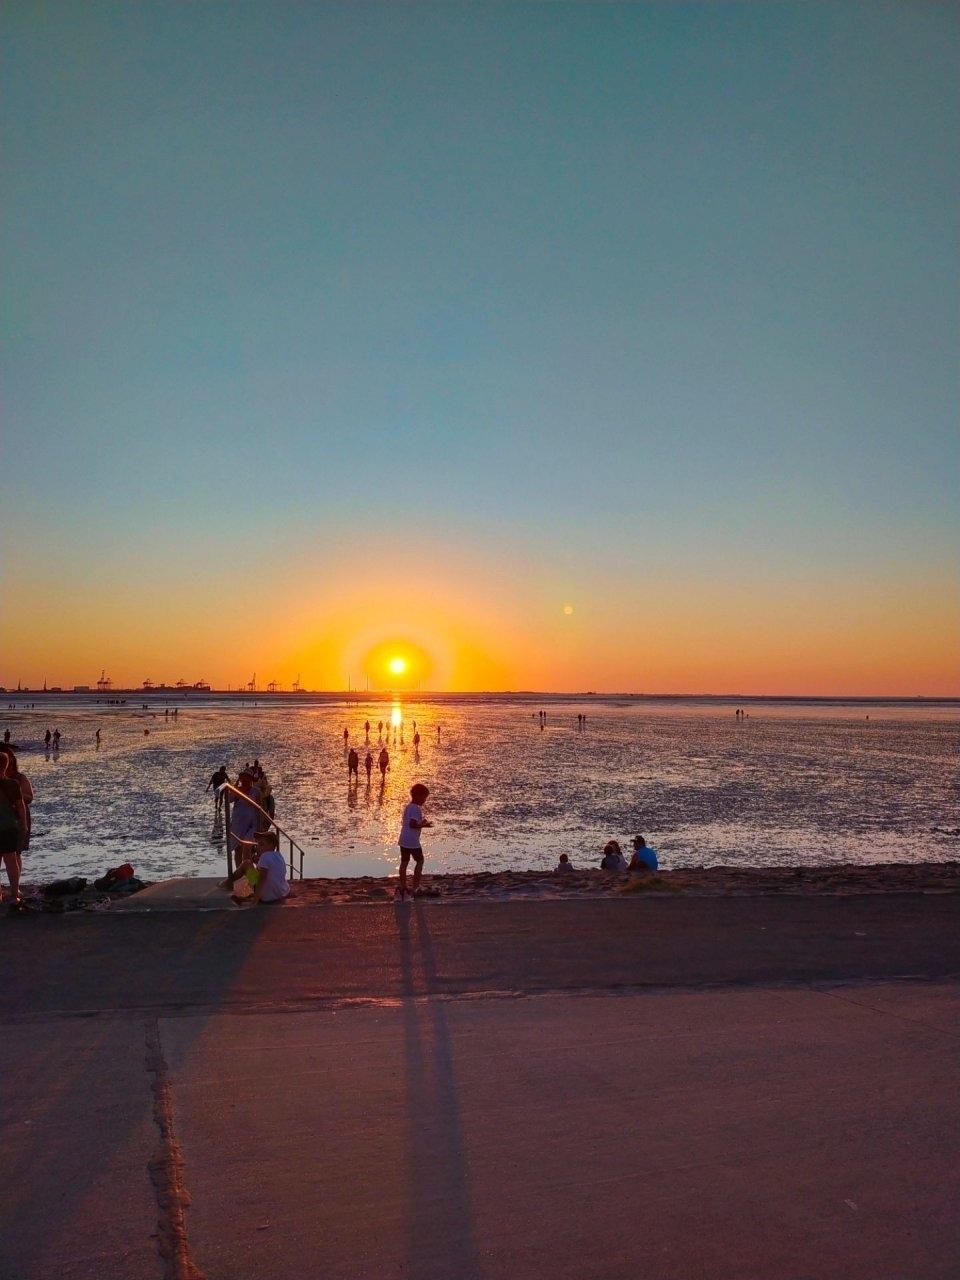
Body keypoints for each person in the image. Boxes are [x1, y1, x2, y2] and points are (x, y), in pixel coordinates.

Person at [221, 829, 289, 905]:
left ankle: (228, 883)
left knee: (246, 863)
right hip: (281, 892)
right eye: (258, 844)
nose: (258, 847)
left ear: (272, 845)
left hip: (268, 896)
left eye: (262, 844)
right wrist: (256, 860)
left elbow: (262, 878)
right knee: (250, 864)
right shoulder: (278, 855)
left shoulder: (265, 857)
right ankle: (232, 885)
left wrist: (255, 901)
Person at [0, 751, 26, 909]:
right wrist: (24, 824)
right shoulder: (13, 784)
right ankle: (14, 894)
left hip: (6, 827)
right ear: (7, 765)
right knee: (11, 861)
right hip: (9, 827)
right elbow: (21, 806)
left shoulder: (12, 784)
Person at [397, 782, 432, 899]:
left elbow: (411, 822)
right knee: (420, 861)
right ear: (417, 796)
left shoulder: (408, 807)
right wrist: (424, 825)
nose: (424, 801)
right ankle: (415, 887)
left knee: (404, 862)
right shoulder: (416, 808)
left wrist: (421, 823)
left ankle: (403, 886)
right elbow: (412, 824)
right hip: (412, 841)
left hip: (403, 839)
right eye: (424, 798)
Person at [229, 772, 260, 869]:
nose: (245, 781)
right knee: (238, 849)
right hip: (237, 824)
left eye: (247, 778)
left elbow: (259, 808)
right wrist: (234, 789)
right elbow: (229, 799)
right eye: (243, 778)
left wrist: (260, 825)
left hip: (251, 824)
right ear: (240, 779)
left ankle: (251, 876)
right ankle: (240, 872)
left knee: (247, 849)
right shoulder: (236, 790)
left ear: (251, 780)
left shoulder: (256, 791)